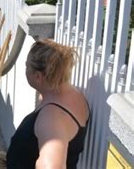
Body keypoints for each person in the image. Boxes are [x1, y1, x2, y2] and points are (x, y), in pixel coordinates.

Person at [6, 39, 90, 169]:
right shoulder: (72, 94)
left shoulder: (51, 118)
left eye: (26, 66)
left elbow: (53, 166)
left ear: (38, 76)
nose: (25, 70)